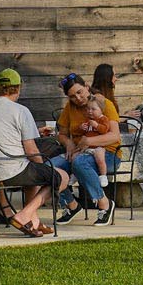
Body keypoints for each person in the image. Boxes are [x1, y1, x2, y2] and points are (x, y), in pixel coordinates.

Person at [0, 69, 67, 240]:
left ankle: (33, 220)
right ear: (18, 88)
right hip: (8, 171)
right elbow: (31, 150)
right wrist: (43, 166)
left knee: (32, 173)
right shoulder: (20, 110)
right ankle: (24, 215)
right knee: (60, 176)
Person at [51, 77, 122, 227]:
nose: (77, 98)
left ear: (87, 87)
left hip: (106, 154)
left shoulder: (104, 104)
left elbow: (115, 135)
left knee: (79, 163)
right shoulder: (70, 107)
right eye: (72, 96)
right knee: (49, 166)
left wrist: (89, 141)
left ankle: (105, 204)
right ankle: (72, 205)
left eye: (79, 92)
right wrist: (69, 143)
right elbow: (62, 134)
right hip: (78, 152)